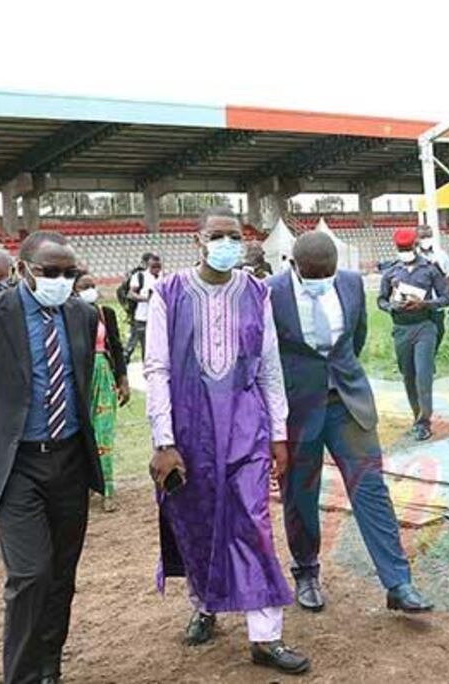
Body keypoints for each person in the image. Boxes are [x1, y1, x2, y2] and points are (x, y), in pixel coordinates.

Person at [144, 209, 311, 676]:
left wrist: (278, 432)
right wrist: (164, 439)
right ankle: (206, 605)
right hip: (188, 432)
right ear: (198, 240)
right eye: (216, 235)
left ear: (244, 241)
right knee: (197, 522)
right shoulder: (168, 293)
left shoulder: (257, 292)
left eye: (233, 236)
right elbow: (156, 367)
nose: (225, 243)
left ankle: (266, 637)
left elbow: (270, 368)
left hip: (246, 427)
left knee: (253, 525)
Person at [0, 231, 104, 684]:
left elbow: (81, 381)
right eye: (52, 272)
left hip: (69, 460)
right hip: (15, 467)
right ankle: (23, 676)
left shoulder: (83, 315)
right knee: (30, 574)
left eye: (70, 273)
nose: (62, 280)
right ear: (23, 269)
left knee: (62, 574)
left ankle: (51, 663)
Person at [268, 231, 434, 616]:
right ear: (294, 267)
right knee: (300, 494)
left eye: (328, 273)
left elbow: (354, 340)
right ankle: (307, 572)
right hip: (297, 409)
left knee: (371, 490)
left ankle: (398, 583)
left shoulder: (350, 283)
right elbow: (266, 355)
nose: (323, 280)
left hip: (347, 403)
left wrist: (338, 379)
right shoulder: (270, 291)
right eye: (314, 275)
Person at [378, 227, 449, 441]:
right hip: (401, 328)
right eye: (401, 248)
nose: (404, 251)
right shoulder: (391, 271)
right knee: (408, 375)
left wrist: (425, 303)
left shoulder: (430, 269)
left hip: (424, 326)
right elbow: (380, 300)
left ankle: (424, 421)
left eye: (407, 248)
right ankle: (416, 415)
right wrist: (392, 306)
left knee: (423, 375)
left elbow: (446, 298)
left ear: (415, 246)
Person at [74, 274, 130, 512]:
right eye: (84, 286)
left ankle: (107, 490)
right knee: (80, 434)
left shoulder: (105, 314)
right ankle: (84, 485)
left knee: (103, 434)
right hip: (79, 380)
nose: (90, 289)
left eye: (92, 285)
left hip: (104, 374)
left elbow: (116, 346)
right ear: (74, 290)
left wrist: (123, 379)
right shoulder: (68, 314)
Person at [415, 224, 449, 352]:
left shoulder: (441, 255)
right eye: (422, 237)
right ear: (417, 238)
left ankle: (431, 356)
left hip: (437, 302)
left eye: (428, 236)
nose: (425, 239)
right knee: (422, 333)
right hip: (418, 302)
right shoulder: (413, 255)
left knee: (439, 331)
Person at [124, 253, 161, 363]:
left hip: (157, 318)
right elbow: (131, 294)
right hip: (142, 317)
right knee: (138, 344)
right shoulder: (140, 276)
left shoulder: (162, 276)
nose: (156, 269)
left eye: (158, 266)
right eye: (153, 266)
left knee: (153, 347)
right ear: (148, 264)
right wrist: (146, 299)